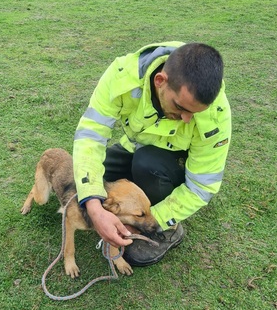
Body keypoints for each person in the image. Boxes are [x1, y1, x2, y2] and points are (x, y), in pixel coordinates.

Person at [72, 41, 231, 266]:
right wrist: (94, 207)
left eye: (195, 113)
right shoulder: (123, 75)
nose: (187, 119)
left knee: (147, 163)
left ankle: (170, 230)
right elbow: (90, 137)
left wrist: (151, 220)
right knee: (90, 176)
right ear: (160, 81)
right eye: (181, 107)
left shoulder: (217, 114)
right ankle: (124, 206)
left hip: (171, 165)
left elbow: (202, 187)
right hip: (135, 146)